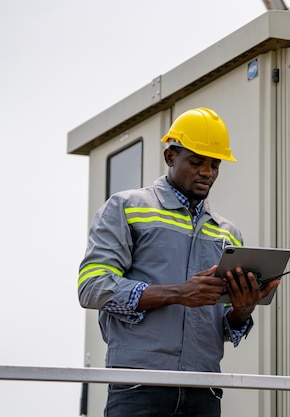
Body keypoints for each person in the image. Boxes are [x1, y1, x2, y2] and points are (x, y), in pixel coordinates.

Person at [77, 107, 279, 417]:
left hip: (203, 388)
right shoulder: (126, 207)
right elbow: (93, 288)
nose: (207, 172)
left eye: (215, 164)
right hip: (138, 384)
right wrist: (178, 293)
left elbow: (227, 325)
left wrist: (243, 307)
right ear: (170, 157)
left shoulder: (229, 234)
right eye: (196, 162)